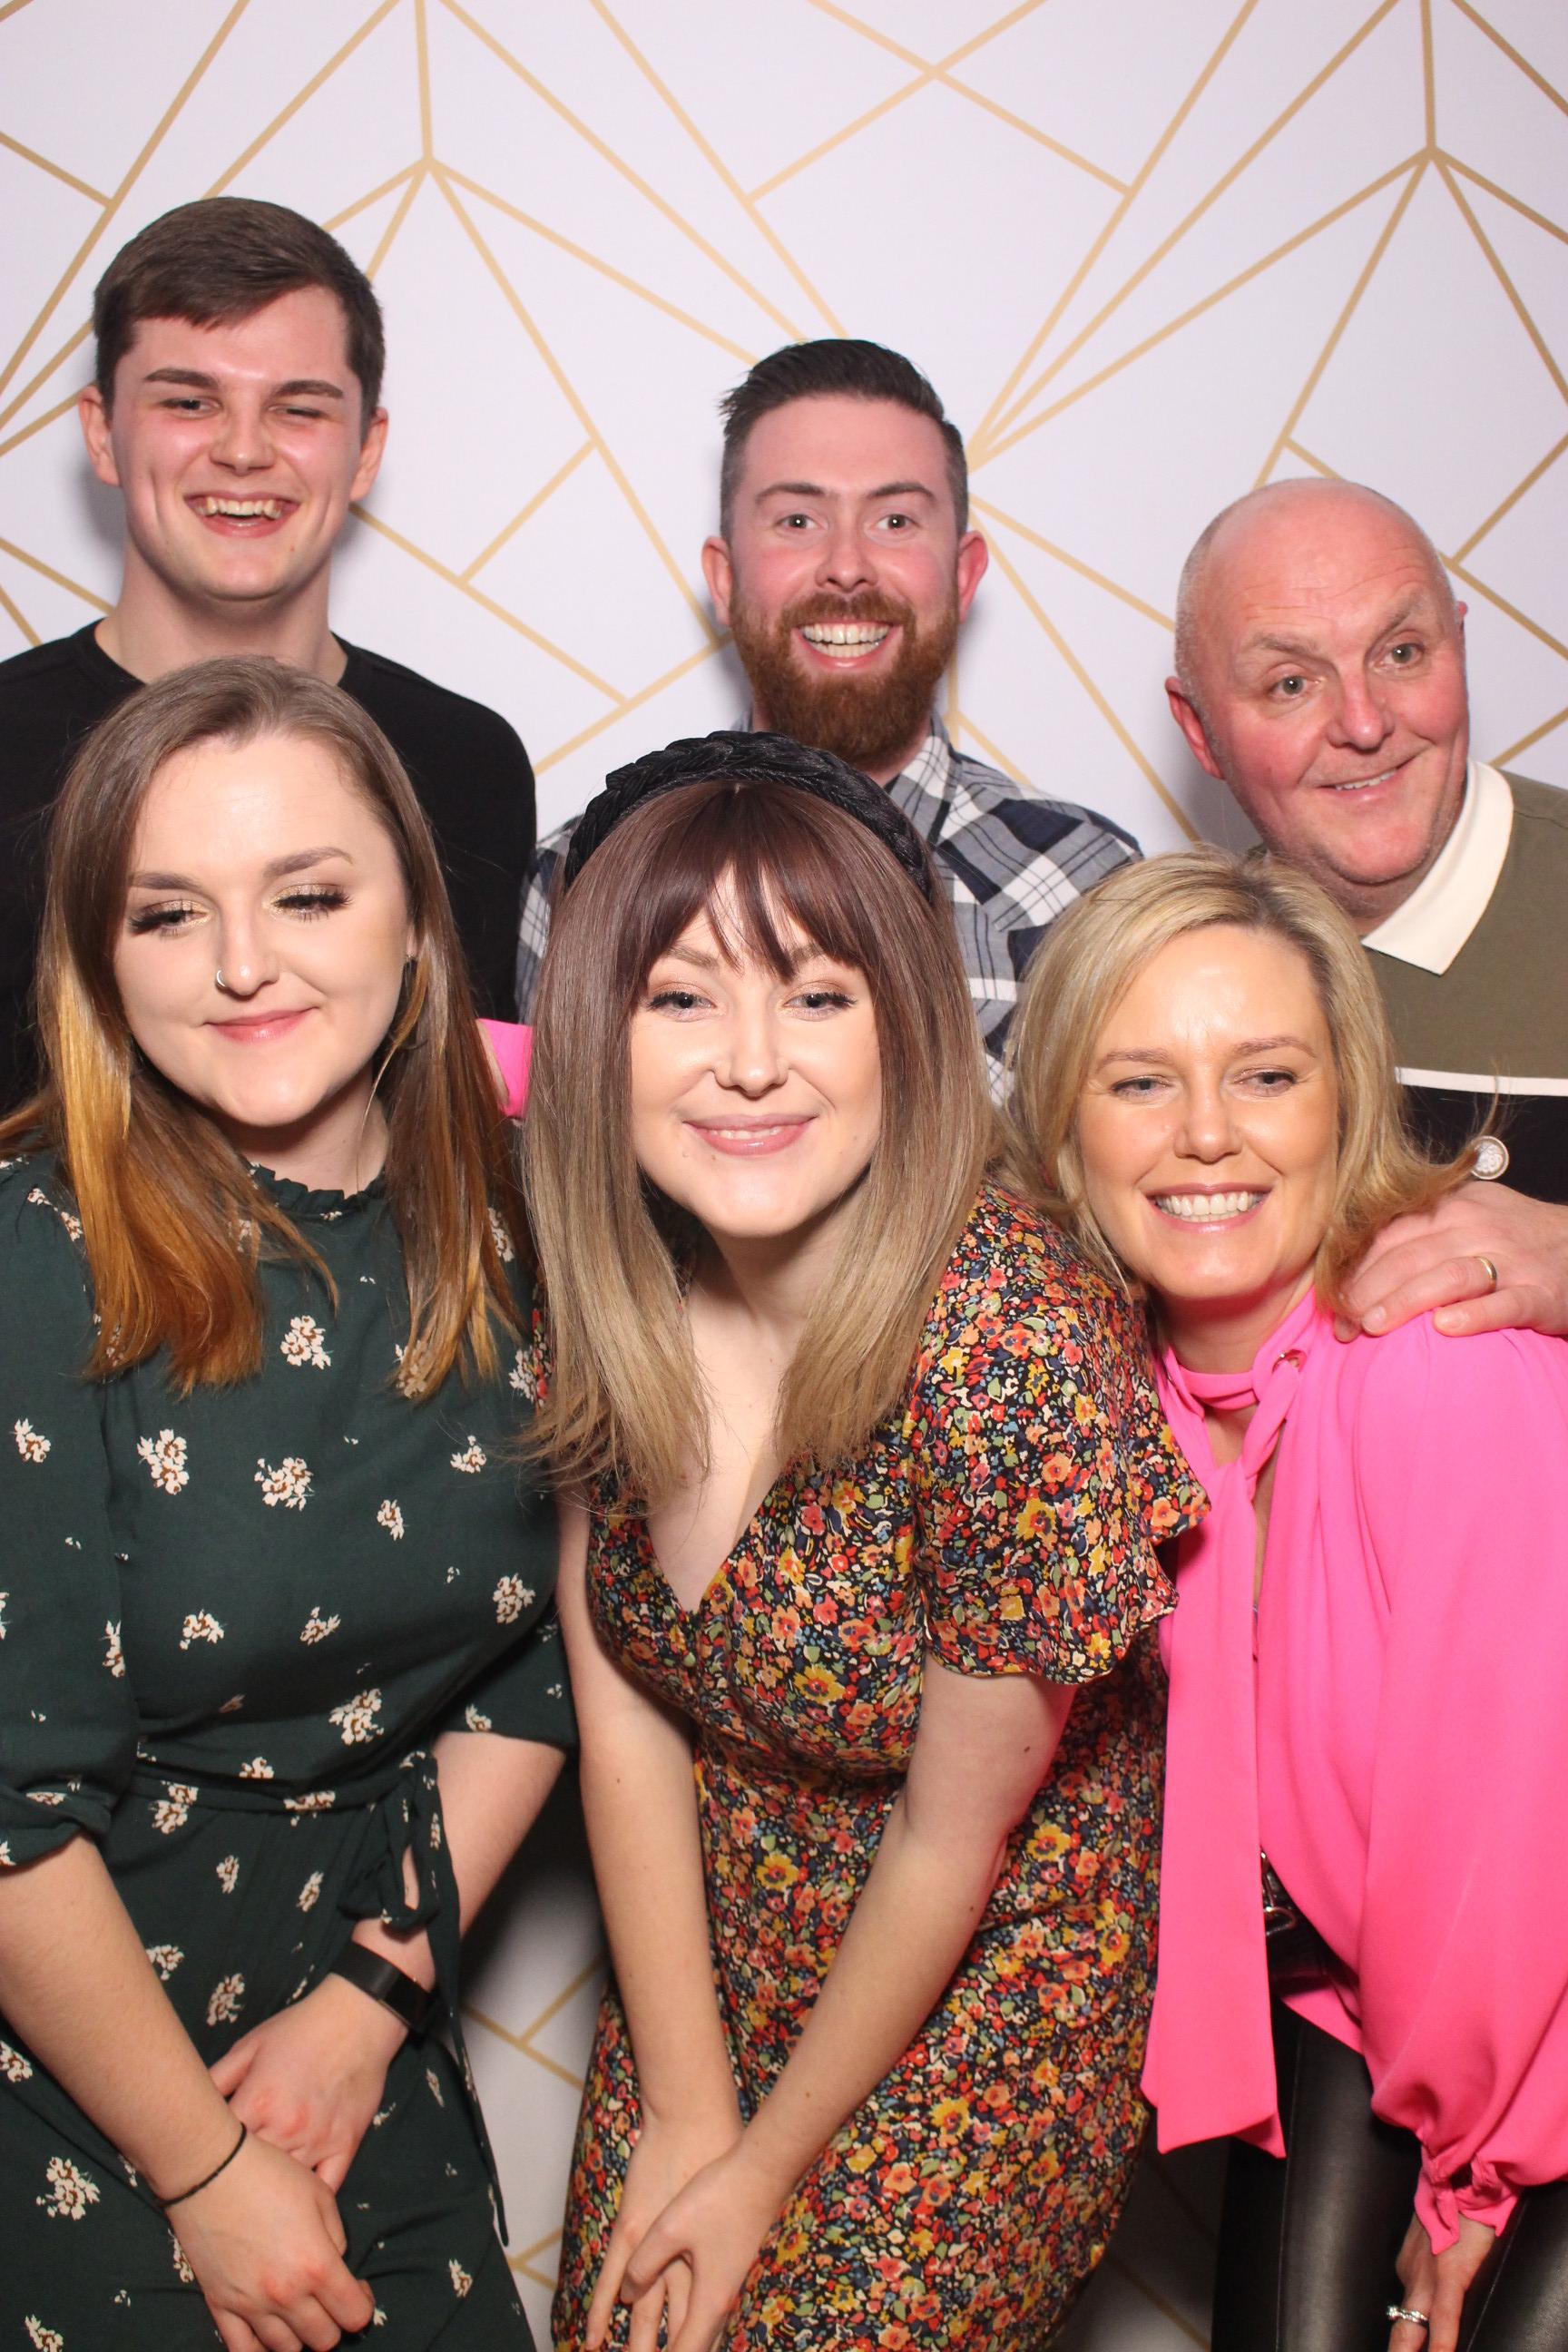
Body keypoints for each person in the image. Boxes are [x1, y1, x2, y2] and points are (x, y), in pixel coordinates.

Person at [524, 730, 1203, 2350]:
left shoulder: (1009, 1347)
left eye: (818, 996)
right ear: (597, 1031)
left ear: (905, 1023)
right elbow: (625, 1713)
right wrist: (684, 2107)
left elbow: (949, 1839)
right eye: (681, 998)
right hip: (711, 1957)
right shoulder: (610, 1281)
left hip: (980, 1976)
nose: (750, 1063)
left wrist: (759, 2170)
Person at [0, 659, 569, 2350]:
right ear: (102, 963)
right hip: (73, 2063)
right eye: (168, 913)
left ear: (417, 921)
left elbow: (549, 1666)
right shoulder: (35, 1258)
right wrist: (200, 2169)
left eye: (306, 895)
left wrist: (369, 2003)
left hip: (352, 2029)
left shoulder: (524, 1225)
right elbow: (8, 1815)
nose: (243, 963)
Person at [1004, 846, 1568, 2352]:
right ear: (1062, 1122)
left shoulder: (1438, 1375)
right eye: (1139, 1082)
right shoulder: (1116, 1415)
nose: (1206, 1133)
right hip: (1362, 1993)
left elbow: (1507, 1860)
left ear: (1347, 1099)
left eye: (1264, 1075)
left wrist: (1474, 2185)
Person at [0, 196, 536, 1110]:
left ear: (365, 451)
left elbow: (463, 1124)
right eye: (188, 401)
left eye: (298, 408)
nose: (244, 451)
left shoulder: (466, 763)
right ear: (101, 432)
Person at [517, 341, 1139, 1086]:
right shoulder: (585, 875)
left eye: (896, 521)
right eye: (798, 521)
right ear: (725, 579)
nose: (847, 567)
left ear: (963, 574)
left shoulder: (1089, 887)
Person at [1166, 477, 1568, 1339]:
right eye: (1290, 683)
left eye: (1401, 653)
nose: (1363, 722)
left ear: (1460, 648)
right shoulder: (1168, 974)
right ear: (1200, 731)